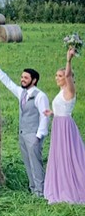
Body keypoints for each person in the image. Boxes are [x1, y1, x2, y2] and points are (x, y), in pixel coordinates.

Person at [0, 60, 49, 197]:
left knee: (36, 163)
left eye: (26, 78)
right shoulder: (21, 93)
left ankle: (41, 191)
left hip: (34, 134)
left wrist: (39, 135)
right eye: (22, 77)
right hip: (23, 134)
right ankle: (33, 187)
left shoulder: (40, 96)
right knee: (28, 162)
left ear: (34, 80)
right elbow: (9, 83)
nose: (22, 80)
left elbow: (45, 116)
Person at [44, 48, 85, 204]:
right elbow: (63, 107)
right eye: (57, 75)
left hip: (66, 127)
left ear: (68, 78)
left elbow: (68, 75)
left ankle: (73, 187)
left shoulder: (70, 89)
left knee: (70, 156)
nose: (57, 78)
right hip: (58, 124)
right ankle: (60, 185)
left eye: (60, 75)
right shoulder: (61, 92)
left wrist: (68, 59)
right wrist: (53, 113)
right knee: (60, 156)